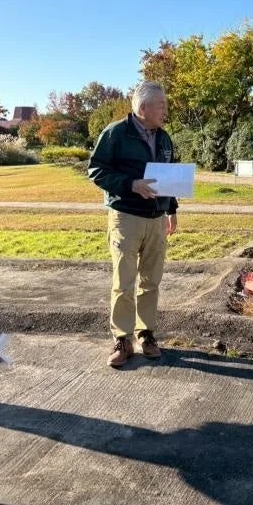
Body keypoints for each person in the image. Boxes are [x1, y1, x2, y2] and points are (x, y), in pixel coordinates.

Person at [88, 81, 178, 367]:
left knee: (151, 281)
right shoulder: (115, 133)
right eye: (161, 105)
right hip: (126, 217)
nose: (165, 109)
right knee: (124, 282)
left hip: (156, 219)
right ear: (143, 108)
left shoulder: (164, 138)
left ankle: (146, 334)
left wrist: (172, 208)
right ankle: (122, 339)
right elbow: (96, 170)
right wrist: (131, 184)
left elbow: (169, 176)